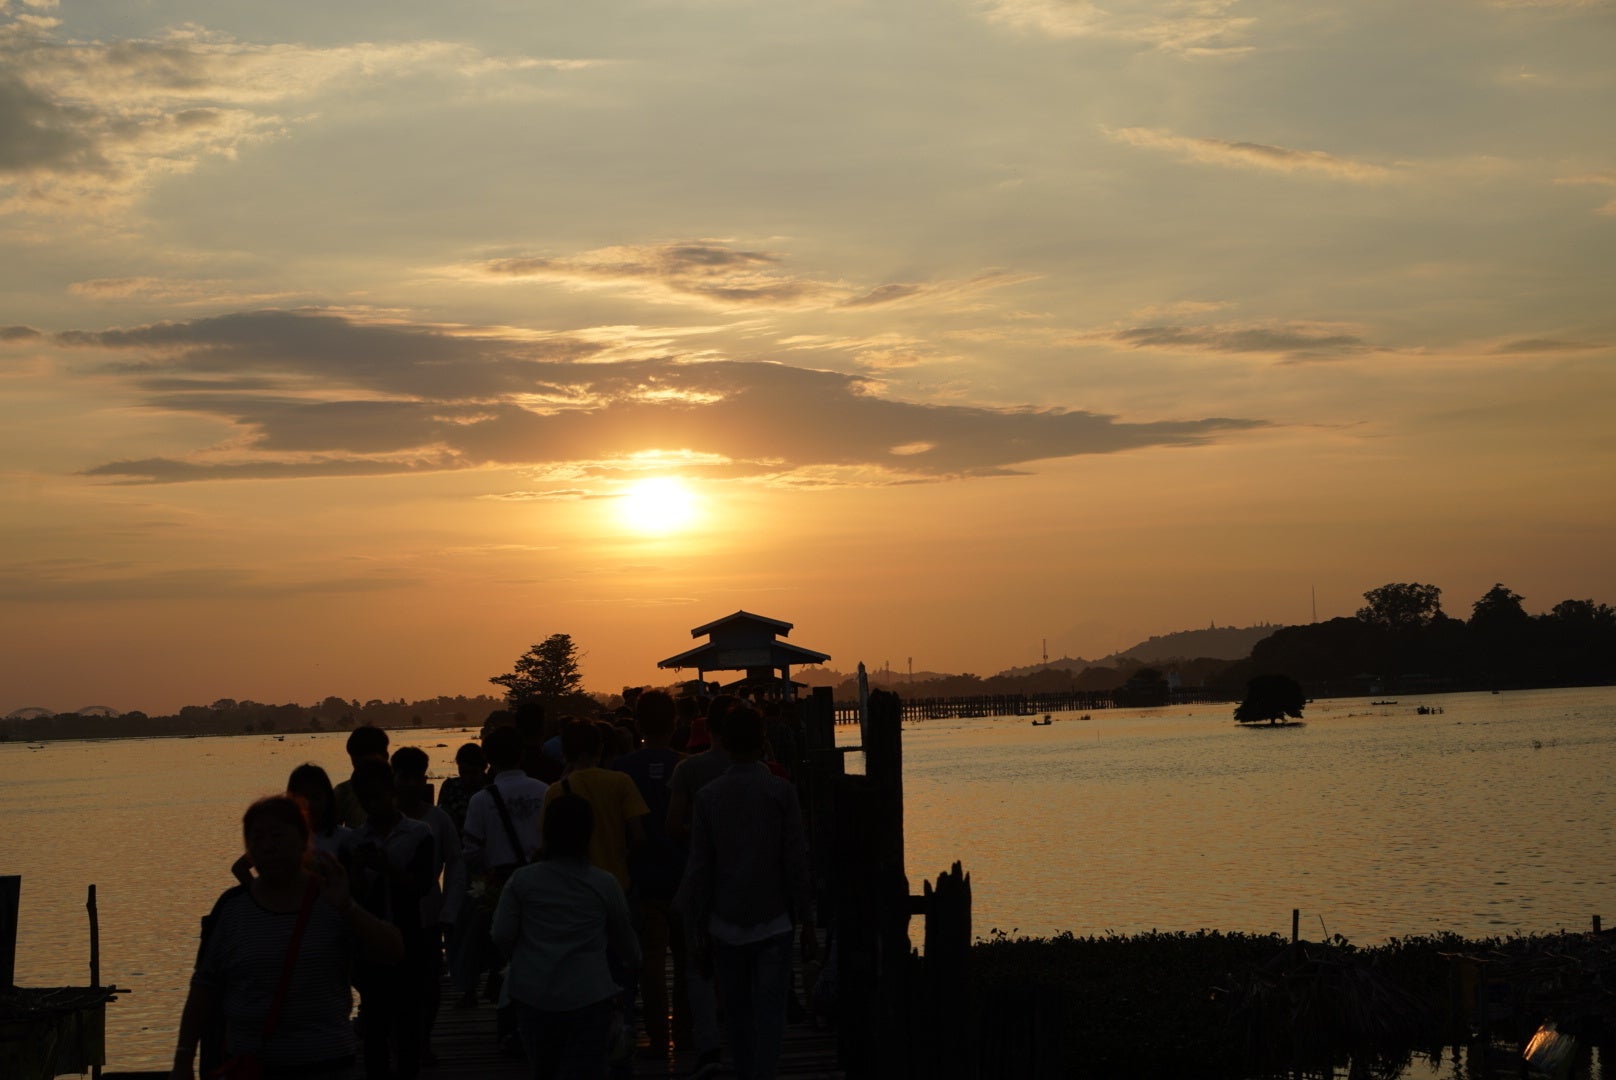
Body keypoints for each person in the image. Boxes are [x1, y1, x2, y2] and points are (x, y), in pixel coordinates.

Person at [172, 796, 401, 1080]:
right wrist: (183, 1059)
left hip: (329, 1063)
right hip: (251, 1067)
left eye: (278, 835)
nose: (268, 846)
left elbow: (393, 951)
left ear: (304, 840)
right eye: (257, 838)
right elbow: (204, 988)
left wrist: (348, 908)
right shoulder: (231, 908)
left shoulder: (332, 897)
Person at [678, 706, 813, 1080]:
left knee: (737, 1013)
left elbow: (700, 867)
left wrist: (695, 926)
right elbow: (795, 859)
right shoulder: (781, 791)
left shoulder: (708, 796)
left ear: (724, 742)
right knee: (770, 1012)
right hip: (774, 919)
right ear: (762, 741)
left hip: (725, 922)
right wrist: (807, 918)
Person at [491, 794, 640, 1080]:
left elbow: (501, 934)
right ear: (588, 833)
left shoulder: (522, 880)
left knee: (543, 1069)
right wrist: (634, 963)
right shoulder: (604, 883)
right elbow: (626, 942)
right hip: (589, 994)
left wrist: (522, 958)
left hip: (533, 992)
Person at [610, 689, 689, 1059]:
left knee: (651, 962)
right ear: (674, 724)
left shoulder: (621, 770)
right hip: (684, 875)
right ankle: (686, 1033)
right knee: (688, 961)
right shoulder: (687, 766)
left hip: (641, 877)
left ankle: (658, 1037)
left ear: (638, 725)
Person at [349, 760, 436, 1080]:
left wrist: (386, 869)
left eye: (378, 796)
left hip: (410, 936)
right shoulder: (355, 840)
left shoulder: (419, 834)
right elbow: (353, 896)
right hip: (370, 944)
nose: (373, 805)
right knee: (374, 1023)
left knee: (408, 1020)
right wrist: (358, 870)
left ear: (392, 792)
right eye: (366, 799)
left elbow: (422, 885)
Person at [461, 724, 549, 1013]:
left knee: (499, 946)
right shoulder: (545, 791)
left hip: (500, 883)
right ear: (521, 755)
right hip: (541, 880)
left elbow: (472, 852)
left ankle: (493, 1001)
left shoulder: (481, 800)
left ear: (488, 759)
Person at [391, 746, 464, 1066]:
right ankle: (402, 1040)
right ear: (393, 779)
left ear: (424, 779)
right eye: (403, 777)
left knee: (430, 983)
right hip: (390, 916)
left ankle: (422, 1040)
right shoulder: (381, 819)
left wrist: (450, 909)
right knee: (396, 984)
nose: (410, 784)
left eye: (416, 778)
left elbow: (456, 864)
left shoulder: (438, 818)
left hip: (430, 914)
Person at [333, 725, 389, 828]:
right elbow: (330, 832)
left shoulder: (401, 786)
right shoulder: (343, 792)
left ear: (385, 756)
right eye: (356, 761)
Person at [436, 742, 486, 838]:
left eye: (473, 773)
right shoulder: (450, 786)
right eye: (463, 772)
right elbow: (441, 818)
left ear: (483, 768)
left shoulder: (491, 789)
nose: (468, 778)